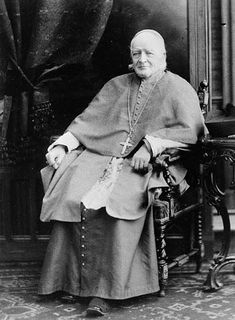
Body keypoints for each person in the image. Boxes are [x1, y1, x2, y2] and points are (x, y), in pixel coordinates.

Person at [38, 29, 207, 316]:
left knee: (117, 206)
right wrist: (62, 146)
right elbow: (87, 123)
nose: (142, 59)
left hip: (147, 166)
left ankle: (106, 292)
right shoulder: (116, 86)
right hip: (101, 159)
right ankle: (70, 282)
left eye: (148, 53)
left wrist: (151, 145)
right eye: (136, 53)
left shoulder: (178, 88)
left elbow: (191, 131)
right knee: (72, 195)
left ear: (163, 56)